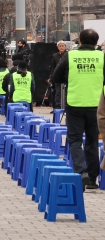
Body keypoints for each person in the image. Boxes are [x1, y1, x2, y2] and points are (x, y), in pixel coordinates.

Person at [53, 29, 105, 190]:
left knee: (75, 140)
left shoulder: (70, 56)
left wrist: (68, 79)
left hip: (74, 103)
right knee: (92, 141)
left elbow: (56, 77)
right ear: (96, 43)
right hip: (96, 105)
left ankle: (80, 172)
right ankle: (92, 179)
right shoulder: (102, 57)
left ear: (80, 41)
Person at [48, 41, 67, 112]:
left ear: (65, 47)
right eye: (60, 46)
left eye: (63, 46)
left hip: (66, 76)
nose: (61, 47)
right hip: (58, 77)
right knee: (57, 93)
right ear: (57, 47)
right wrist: (51, 76)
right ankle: (57, 107)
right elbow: (53, 67)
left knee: (66, 92)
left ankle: (66, 106)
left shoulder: (68, 54)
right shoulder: (55, 56)